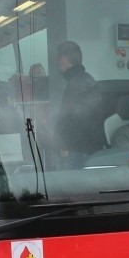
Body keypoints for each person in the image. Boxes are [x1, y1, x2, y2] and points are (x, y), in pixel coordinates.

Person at [52, 40, 106, 168]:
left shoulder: (77, 84)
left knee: (69, 186)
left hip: (77, 151)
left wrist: (64, 146)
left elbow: (72, 117)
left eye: (58, 59)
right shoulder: (85, 79)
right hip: (88, 148)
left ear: (63, 60)